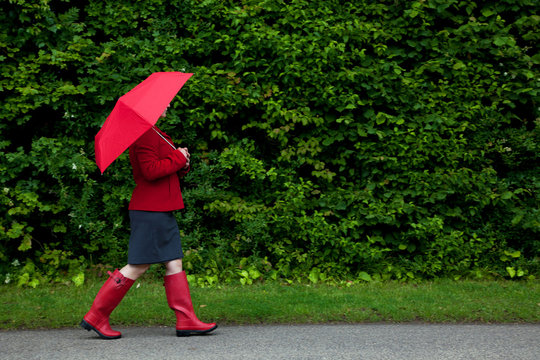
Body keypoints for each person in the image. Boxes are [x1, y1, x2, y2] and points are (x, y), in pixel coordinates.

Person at [81, 104, 217, 339]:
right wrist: (178, 156)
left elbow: (165, 167)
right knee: (138, 265)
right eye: (164, 103)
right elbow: (150, 171)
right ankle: (96, 316)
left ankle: (186, 320)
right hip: (150, 209)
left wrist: (182, 163)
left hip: (162, 207)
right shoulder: (144, 134)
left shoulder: (154, 131)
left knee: (174, 261)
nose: (168, 105)